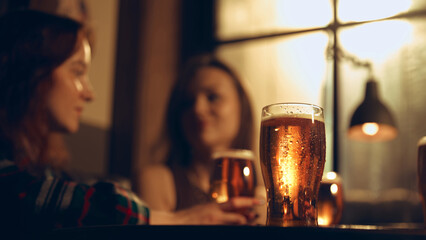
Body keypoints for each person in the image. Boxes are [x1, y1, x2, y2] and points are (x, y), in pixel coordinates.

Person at [0, 10, 261, 232]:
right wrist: (179, 218)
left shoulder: (45, 170)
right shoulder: (17, 180)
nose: (89, 93)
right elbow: (40, 198)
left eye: (213, 97)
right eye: (78, 72)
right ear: (34, 74)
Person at [137, 54, 261, 214]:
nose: (197, 109)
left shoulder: (263, 196)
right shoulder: (157, 181)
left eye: (212, 97)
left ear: (242, 108)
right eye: (187, 102)